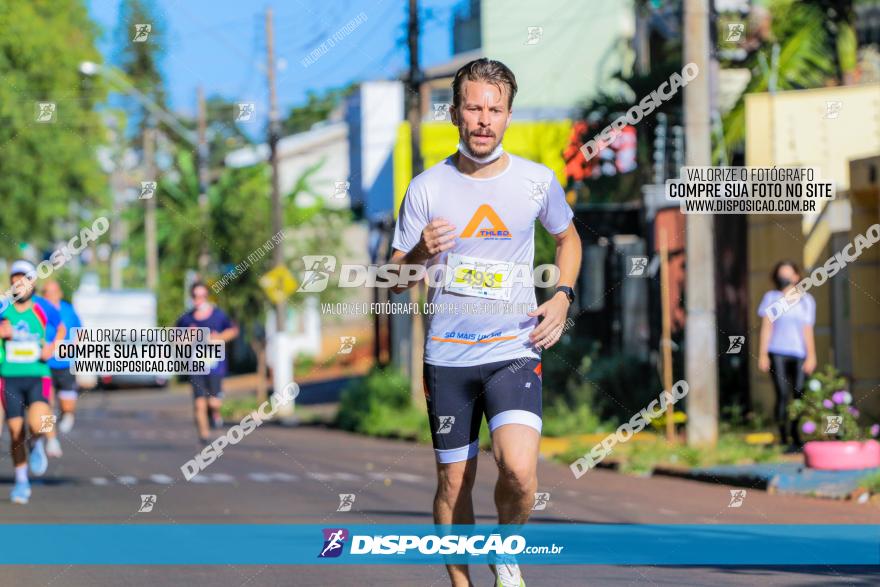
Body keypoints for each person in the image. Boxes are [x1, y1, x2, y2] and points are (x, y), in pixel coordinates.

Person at [390, 58, 582, 587]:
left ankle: (505, 550)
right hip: (448, 358)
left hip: (513, 348)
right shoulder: (426, 188)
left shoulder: (536, 181)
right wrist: (419, 254)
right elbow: (392, 280)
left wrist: (562, 295)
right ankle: (461, 583)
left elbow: (568, 239)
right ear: (454, 112)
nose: (483, 119)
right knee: (455, 482)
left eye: (494, 110)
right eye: (473, 107)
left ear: (508, 116)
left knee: (519, 471)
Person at [0, 260, 64, 504]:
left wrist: (51, 346)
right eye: (15, 278)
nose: (19, 283)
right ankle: (21, 482)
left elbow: (59, 327)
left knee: (40, 422)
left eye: (24, 278)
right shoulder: (3, 307)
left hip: (38, 374)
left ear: (32, 282)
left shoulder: (43, 307)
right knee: (16, 432)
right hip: (9, 376)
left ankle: (40, 443)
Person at [758, 260, 817, 450]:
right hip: (777, 352)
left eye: (788, 273)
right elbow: (767, 328)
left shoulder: (806, 301)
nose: (784, 278)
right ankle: (783, 437)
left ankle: (795, 434)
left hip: (799, 353)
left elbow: (807, 330)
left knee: (798, 393)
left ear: (796, 277)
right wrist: (763, 354)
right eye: (781, 274)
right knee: (783, 394)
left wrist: (811, 355)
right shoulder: (771, 297)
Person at [175, 282, 239, 445]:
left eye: (202, 296)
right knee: (199, 405)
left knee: (214, 403)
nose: (199, 299)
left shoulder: (218, 316)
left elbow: (233, 331)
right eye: (196, 296)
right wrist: (188, 339)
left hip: (215, 367)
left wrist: (217, 339)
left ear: (207, 296)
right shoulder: (186, 319)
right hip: (196, 368)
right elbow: (176, 340)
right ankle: (204, 436)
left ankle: (214, 413)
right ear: (191, 297)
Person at [41, 280, 82, 436]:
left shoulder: (68, 310)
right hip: (45, 363)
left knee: (67, 405)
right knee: (46, 400)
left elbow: (80, 331)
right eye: (46, 293)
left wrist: (75, 346)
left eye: (53, 292)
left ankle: (67, 415)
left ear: (59, 293)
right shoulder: (39, 310)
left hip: (66, 363)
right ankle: (47, 433)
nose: (50, 296)